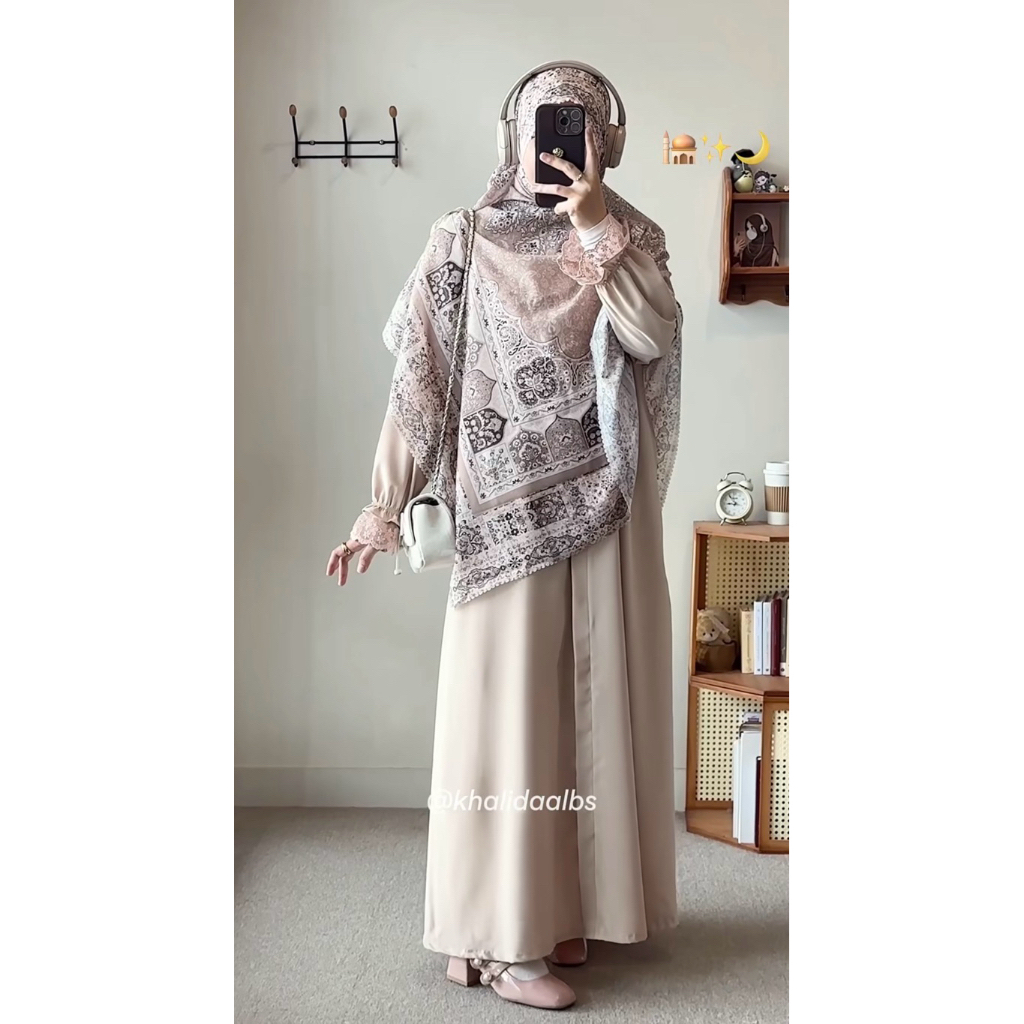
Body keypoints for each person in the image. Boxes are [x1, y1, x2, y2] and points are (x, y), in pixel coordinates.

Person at [326, 62, 682, 1011]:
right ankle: (493, 942)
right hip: (501, 520)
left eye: (577, 127)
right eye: (541, 125)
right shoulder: (462, 238)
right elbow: (422, 382)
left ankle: (554, 914)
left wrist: (596, 225)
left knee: (584, 721)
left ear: (605, 141)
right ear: (511, 138)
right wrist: (382, 505)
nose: (556, 144)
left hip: (604, 508)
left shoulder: (631, 236)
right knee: (505, 729)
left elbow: (650, 336)